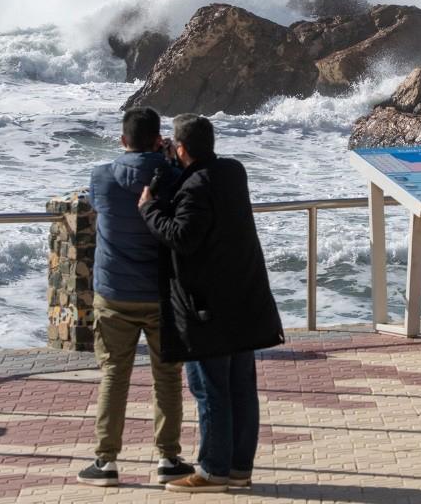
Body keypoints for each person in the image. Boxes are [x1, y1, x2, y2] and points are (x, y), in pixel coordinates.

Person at [138, 113, 285, 494]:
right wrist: (177, 167)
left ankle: (213, 471)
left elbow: (182, 236)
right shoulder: (232, 173)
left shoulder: (195, 187)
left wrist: (149, 208)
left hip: (208, 309)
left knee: (209, 388)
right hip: (244, 300)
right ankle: (238, 469)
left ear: (181, 147)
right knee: (241, 386)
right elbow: (201, 194)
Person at [76, 107, 195, 488]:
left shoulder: (102, 176)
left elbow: (96, 205)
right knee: (167, 377)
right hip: (161, 294)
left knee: (114, 374)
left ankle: (105, 461)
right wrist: (167, 161)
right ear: (158, 139)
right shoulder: (174, 177)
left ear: (123, 139)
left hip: (114, 294)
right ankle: (169, 458)